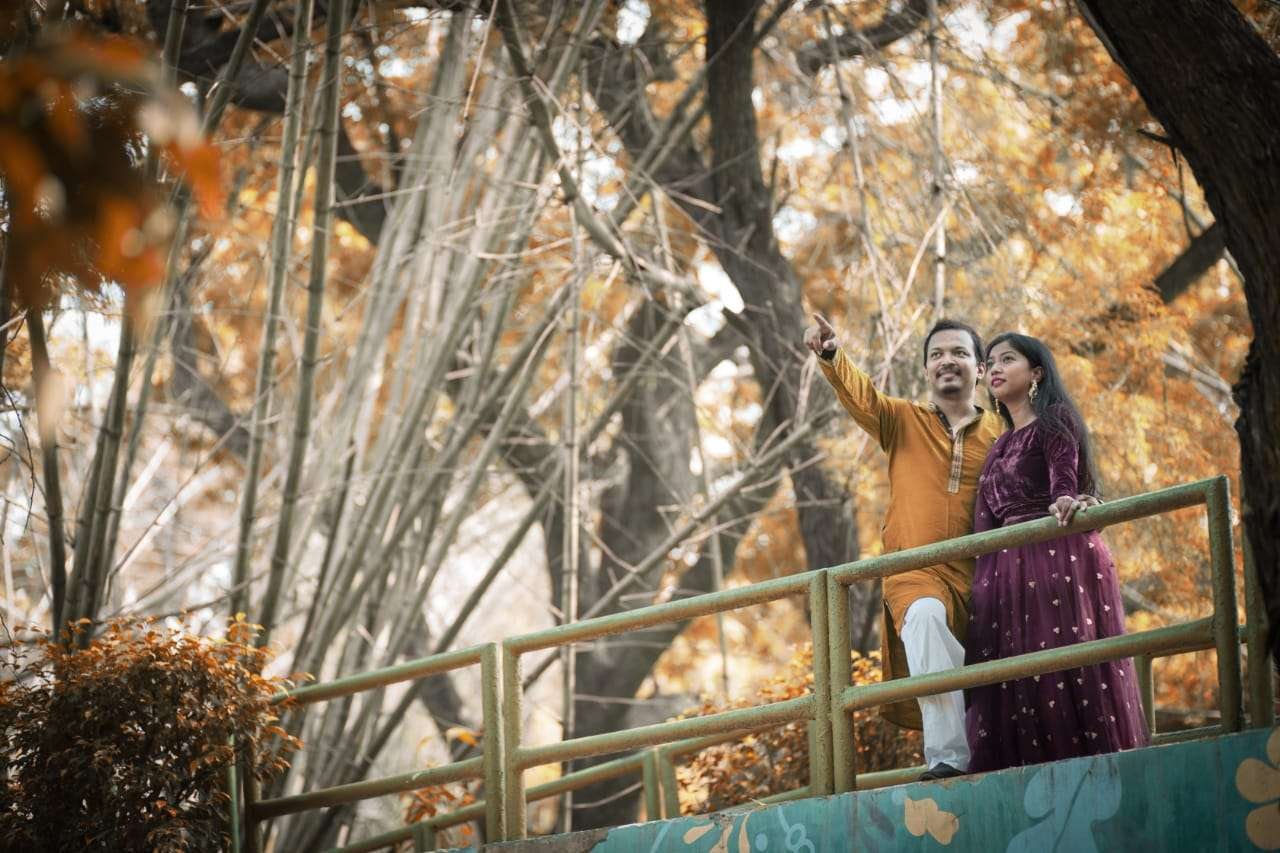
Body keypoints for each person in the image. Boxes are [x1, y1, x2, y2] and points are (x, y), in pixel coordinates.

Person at [805, 314, 1005, 781]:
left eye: (959, 353)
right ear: (927, 369)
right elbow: (862, 396)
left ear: (980, 369)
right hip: (913, 571)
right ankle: (948, 759)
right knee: (927, 618)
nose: (947, 361)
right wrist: (832, 354)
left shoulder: (1002, 433)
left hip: (983, 576)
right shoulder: (901, 420)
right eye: (937, 354)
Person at [964, 333, 1149, 772]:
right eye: (990, 362)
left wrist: (1067, 499)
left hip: (1055, 556)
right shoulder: (998, 446)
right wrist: (982, 585)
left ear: (1036, 373)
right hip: (1004, 571)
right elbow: (983, 524)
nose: (995, 368)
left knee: (1065, 669)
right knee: (1016, 677)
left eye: (1007, 359)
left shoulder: (1055, 420)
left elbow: (1063, 484)